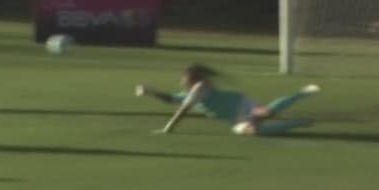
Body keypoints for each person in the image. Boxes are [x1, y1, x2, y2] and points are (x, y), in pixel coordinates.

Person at [137, 64, 320, 136]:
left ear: (195, 80)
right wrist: (150, 92)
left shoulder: (199, 88)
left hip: (242, 106)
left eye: (185, 79)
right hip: (235, 119)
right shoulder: (188, 94)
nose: (182, 82)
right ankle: (297, 123)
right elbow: (171, 99)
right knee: (253, 131)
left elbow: (182, 110)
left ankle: (302, 93)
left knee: (267, 112)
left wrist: (168, 129)